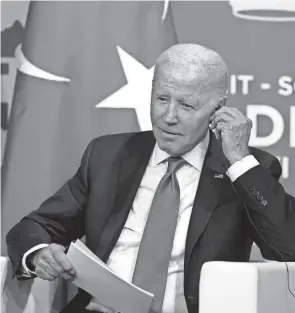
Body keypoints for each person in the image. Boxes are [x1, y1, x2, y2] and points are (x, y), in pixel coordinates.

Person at [6, 43, 295, 313]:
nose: (168, 116)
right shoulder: (109, 155)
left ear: (218, 110)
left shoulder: (244, 170)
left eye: (186, 106)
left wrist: (240, 162)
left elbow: (288, 247)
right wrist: (39, 253)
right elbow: (37, 226)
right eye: (162, 99)